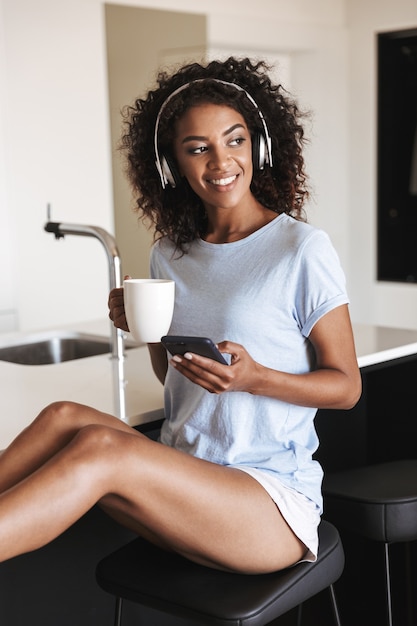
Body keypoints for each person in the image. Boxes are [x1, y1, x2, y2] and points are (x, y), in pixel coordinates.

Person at [0, 57, 361, 573]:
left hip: (267, 506)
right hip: (181, 478)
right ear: (171, 165)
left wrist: (254, 378)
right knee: (63, 416)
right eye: (198, 149)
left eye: (234, 141)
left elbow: (347, 387)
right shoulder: (170, 253)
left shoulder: (300, 249)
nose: (221, 162)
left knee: (103, 447)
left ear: (258, 146)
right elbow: (171, 377)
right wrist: (146, 329)